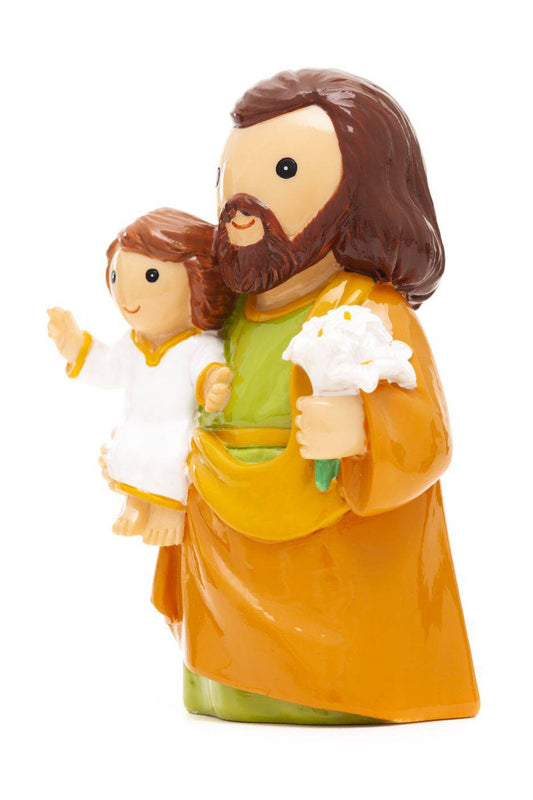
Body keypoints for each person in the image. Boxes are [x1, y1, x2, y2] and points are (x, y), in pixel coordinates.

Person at [153, 70, 480, 724]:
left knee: (335, 653)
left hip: (333, 569)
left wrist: (364, 429)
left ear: (358, 196)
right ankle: (225, 679)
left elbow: (430, 438)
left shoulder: (367, 308)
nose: (240, 205)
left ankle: (336, 695)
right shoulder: (227, 315)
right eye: (228, 179)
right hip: (223, 542)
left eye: (282, 171)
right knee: (224, 651)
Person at [48, 208, 235, 546]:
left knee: (172, 461)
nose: (127, 298)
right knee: (128, 455)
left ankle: (169, 512)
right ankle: (136, 504)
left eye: (151, 277)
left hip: (175, 428)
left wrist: (212, 384)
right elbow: (108, 368)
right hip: (138, 426)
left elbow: (208, 368)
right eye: (116, 278)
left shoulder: (196, 346)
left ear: (198, 284)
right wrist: (75, 347)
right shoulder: (131, 344)